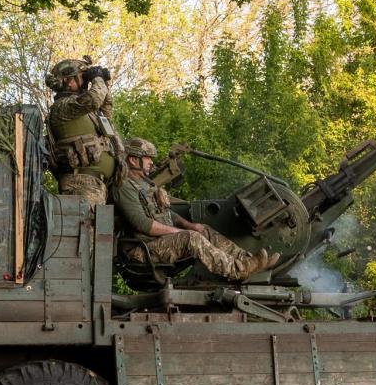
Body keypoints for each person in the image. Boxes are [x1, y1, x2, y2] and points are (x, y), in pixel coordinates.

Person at [111, 137, 279, 281]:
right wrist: (177, 232)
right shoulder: (123, 186)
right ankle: (239, 270)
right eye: (147, 158)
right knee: (192, 238)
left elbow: (165, 213)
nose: (151, 162)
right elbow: (142, 224)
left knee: (202, 229)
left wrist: (189, 225)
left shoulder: (144, 184)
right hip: (141, 251)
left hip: (157, 243)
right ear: (133, 160)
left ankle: (250, 261)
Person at [45, 57, 123, 206]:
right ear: (69, 81)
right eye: (83, 77)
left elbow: (106, 110)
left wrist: (103, 82)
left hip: (94, 184)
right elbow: (94, 99)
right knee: (85, 228)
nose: (86, 81)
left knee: (96, 229)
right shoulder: (62, 107)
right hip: (80, 184)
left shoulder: (84, 111)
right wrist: (97, 78)